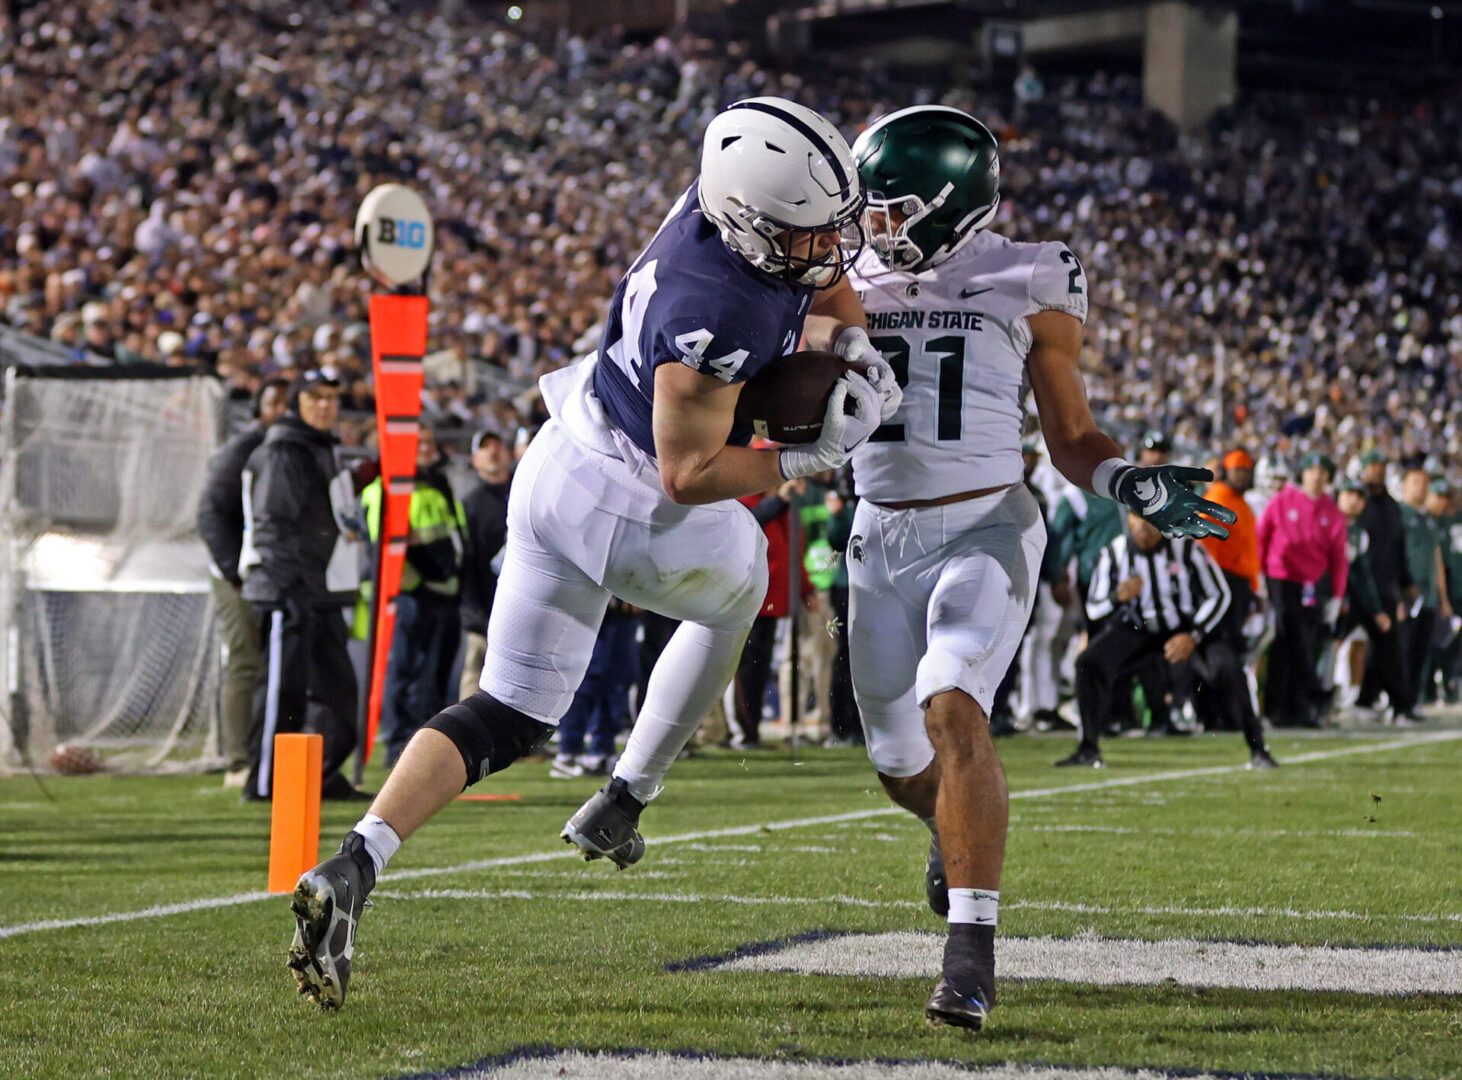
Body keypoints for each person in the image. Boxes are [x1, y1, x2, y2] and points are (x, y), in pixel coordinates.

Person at [558, 105, 1235, 1032]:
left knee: (953, 702)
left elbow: (1071, 437)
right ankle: (941, 829)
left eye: (897, 209)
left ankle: (970, 955)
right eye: (868, 209)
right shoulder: (832, 268)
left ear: (957, 206)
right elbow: (758, 375)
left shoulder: (1028, 274)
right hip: (877, 536)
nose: (874, 227)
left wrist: (1124, 479)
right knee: (897, 764)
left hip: (987, 524)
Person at [285, 97, 900, 1011]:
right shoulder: (713, 307)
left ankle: (357, 860)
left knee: (506, 710)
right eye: (806, 234)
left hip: (559, 462)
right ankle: (627, 794)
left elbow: (819, 282)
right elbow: (690, 471)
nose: (827, 251)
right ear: (750, 221)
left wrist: (851, 339)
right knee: (742, 592)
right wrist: (808, 456)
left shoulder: (729, 215)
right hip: (635, 496)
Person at [238, 371, 368, 803]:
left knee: (338, 692)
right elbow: (273, 522)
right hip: (289, 589)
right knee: (282, 690)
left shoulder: (321, 448)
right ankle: (263, 784)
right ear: (297, 404)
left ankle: (321, 776)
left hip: (322, 591)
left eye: (332, 398)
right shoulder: (283, 451)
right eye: (316, 398)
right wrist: (286, 584)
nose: (326, 406)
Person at [1061, 511, 1272, 768]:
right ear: (1127, 519)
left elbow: (1219, 594)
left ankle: (1258, 748)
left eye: (1148, 519)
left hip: (1188, 627)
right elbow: (1094, 607)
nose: (1142, 526)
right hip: (1139, 629)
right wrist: (1118, 596)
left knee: (1229, 668)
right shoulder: (1114, 553)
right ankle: (1088, 748)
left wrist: (1194, 634)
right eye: (1135, 518)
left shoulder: (1187, 548)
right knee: (1089, 663)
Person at [196, 377, 288, 784]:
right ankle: (238, 761)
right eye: (275, 403)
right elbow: (211, 511)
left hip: (271, 575)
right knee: (245, 661)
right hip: (240, 575)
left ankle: (263, 752)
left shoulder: (291, 450)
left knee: (270, 664)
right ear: (259, 410)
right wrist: (234, 570)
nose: (283, 410)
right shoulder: (246, 448)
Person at [360, 427, 467, 766]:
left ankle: (427, 747)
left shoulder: (438, 485)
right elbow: (386, 552)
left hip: (443, 594)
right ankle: (398, 748)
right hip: (411, 596)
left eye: (431, 442)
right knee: (405, 671)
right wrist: (419, 584)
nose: (427, 448)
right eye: (418, 444)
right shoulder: (386, 490)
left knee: (433, 675)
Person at [1255, 452, 1348, 727]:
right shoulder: (1282, 501)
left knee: (1299, 641)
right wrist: (1258, 576)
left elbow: (1338, 558)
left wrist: (1337, 595)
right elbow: (1262, 537)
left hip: (1311, 584)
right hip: (1280, 577)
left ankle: (1294, 708)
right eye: (1312, 470)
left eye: (1322, 471)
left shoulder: (1332, 513)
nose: (1316, 476)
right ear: (1303, 474)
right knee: (1290, 636)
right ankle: (1311, 696)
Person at [729, 478, 815, 749]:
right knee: (743, 669)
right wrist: (779, 500)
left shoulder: (786, 509)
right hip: (749, 598)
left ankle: (751, 731)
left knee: (759, 668)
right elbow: (752, 521)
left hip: (774, 600)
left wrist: (805, 589)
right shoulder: (744, 500)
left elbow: (793, 553)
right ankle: (741, 732)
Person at [1355, 449, 1415, 717]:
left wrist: (1405, 583)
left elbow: (1398, 548)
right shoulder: (1357, 501)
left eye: (1381, 466)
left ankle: (1391, 703)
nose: (1377, 471)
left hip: (1383, 588)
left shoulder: (1392, 507)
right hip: (1355, 587)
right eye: (1372, 467)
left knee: (1388, 647)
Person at [457, 429, 514, 702]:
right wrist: (473, 612)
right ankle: (465, 740)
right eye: (484, 447)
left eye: (497, 444)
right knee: (475, 676)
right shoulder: (469, 505)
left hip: (522, 605)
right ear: (474, 459)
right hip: (484, 607)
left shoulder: (524, 492)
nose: (492, 451)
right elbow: (465, 564)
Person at [1399, 467, 1452, 708]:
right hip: (1407, 593)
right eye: (1415, 481)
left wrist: (1443, 597)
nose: (1421, 486)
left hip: (1429, 595)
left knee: (1422, 650)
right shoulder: (1399, 513)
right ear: (1404, 486)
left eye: (1424, 482)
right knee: (1403, 648)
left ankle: (1412, 700)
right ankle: (1396, 699)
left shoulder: (1430, 519)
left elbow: (1437, 558)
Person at [1200, 449, 1262, 647]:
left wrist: (1253, 586)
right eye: (1237, 470)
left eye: (1246, 471)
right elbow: (1203, 544)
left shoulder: (1240, 502)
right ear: (1226, 472)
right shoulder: (1217, 498)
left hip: (1241, 583)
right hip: (1225, 582)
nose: (1242, 476)